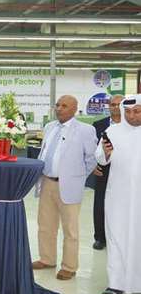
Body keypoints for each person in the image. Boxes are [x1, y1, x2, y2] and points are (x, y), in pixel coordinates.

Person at [33, 95, 97, 281]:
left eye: (64, 105)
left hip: (69, 186)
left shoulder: (85, 130)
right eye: (57, 105)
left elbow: (91, 159)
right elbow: (44, 152)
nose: (59, 108)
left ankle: (69, 266)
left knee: (70, 229)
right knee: (45, 226)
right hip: (46, 183)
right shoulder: (49, 127)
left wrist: (77, 177)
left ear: (75, 109)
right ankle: (47, 259)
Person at [95, 94, 141, 294]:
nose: (132, 116)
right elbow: (101, 160)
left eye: (137, 111)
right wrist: (104, 153)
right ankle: (116, 283)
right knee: (117, 237)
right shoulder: (112, 131)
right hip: (119, 196)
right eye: (128, 111)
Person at [91, 94, 124, 250]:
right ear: (108, 106)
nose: (116, 107)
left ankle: (122, 237)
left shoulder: (133, 125)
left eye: (119, 104)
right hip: (103, 170)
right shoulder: (98, 125)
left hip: (126, 172)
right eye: (113, 104)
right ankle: (100, 238)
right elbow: (90, 148)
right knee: (100, 204)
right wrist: (92, 165)